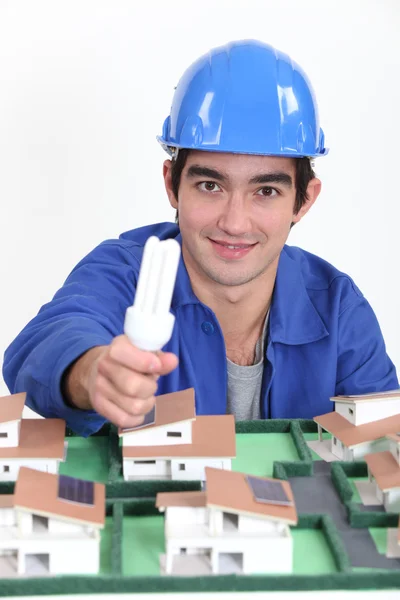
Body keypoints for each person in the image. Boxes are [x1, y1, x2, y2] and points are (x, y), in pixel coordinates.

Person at [3, 40, 398, 437]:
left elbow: (385, 444)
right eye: (210, 185)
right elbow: (45, 344)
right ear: (172, 186)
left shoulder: (338, 307)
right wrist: (93, 373)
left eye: (266, 191)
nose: (235, 222)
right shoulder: (125, 270)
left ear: (303, 200)